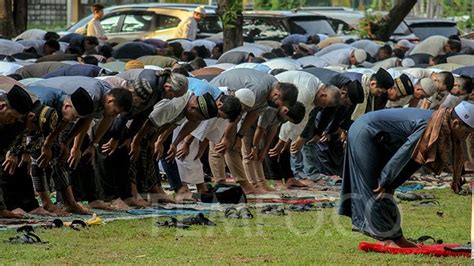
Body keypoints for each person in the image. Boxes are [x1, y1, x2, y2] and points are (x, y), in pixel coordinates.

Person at [339, 101, 473, 248]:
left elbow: (414, 161)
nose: (466, 137)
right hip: (366, 132)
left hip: (380, 139)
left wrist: (392, 182)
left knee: (388, 190)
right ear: (455, 123)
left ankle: (396, 237)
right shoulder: (431, 127)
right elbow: (406, 154)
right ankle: (385, 239)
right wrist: (387, 179)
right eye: (466, 132)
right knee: (376, 188)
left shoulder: (440, 123)